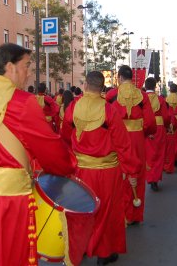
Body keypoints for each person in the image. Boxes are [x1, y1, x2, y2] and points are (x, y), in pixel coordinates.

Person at [0, 43, 75, 266]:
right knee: (10, 256)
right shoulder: (22, 102)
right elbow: (51, 150)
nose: (29, 72)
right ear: (10, 68)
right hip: (10, 199)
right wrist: (67, 167)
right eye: (26, 66)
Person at [61, 71, 140, 265]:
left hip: (80, 170)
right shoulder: (109, 110)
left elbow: (64, 136)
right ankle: (104, 253)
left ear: (86, 85)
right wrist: (132, 170)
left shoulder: (73, 107)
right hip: (107, 172)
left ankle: (82, 248)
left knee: (81, 211)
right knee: (107, 211)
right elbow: (123, 144)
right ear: (102, 88)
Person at [105, 65, 155, 225]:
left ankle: (122, 213)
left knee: (120, 173)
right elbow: (150, 122)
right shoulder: (141, 95)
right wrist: (143, 133)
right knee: (137, 173)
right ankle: (135, 213)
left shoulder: (112, 95)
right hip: (137, 138)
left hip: (117, 138)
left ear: (119, 78)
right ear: (131, 78)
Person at [144, 77, 171, 191]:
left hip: (145, 127)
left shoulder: (141, 98)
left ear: (145, 86)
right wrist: (167, 126)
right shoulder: (160, 99)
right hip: (159, 128)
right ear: (155, 86)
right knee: (159, 154)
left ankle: (150, 177)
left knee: (148, 154)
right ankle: (155, 179)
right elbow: (165, 116)